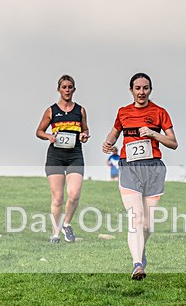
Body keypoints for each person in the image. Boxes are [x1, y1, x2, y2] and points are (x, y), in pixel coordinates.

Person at [101, 72, 178, 280]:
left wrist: (154, 134)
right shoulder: (123, 112)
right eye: (137, 88)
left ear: (150, 90)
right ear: (131, 90)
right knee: (136, 218)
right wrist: (107, 143)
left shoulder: (160, 112)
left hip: (153, 169)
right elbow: (114, 133)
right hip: (129, 169)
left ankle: (140, 251)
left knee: (147, 225)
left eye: (145, 88)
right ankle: (137, 265)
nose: (141, 92)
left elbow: (173, 142)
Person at [35, 75, 90, 243]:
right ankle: (55, 234)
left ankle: (66, 224)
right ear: (59, 89)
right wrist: (49, 137)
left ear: (74, 89)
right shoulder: (51, 110)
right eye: (64, 87)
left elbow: (85, 131)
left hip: (74, 155)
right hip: (55, 156)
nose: (67, 90)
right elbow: (39, 131)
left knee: (74, 195)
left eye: (70, 87)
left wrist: (84, 136)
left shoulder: (80, 110)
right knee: (57, 198)